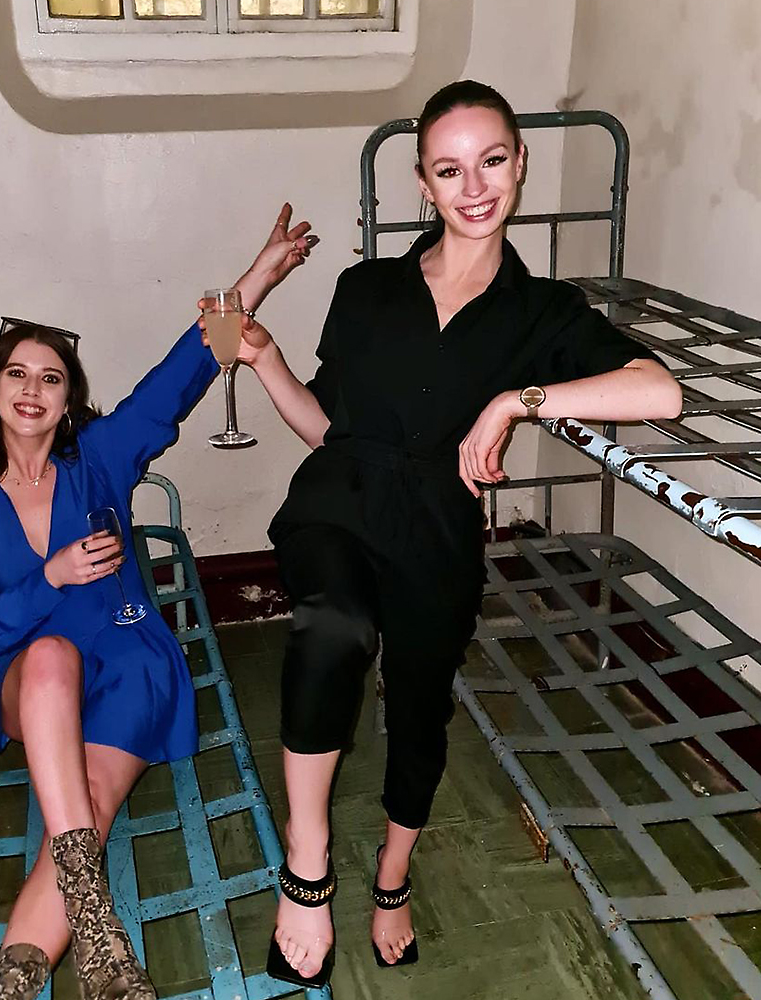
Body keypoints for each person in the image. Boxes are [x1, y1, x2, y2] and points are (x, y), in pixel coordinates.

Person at [233, 81, 682, 987]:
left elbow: (657, 390)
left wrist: (517, 401)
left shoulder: (541, 311)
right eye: (449, 168)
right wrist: (273, 361)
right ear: (422, 184)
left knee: (421, 702)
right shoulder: (367, 288)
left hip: (437, 524)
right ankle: (308, 866)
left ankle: (393, 873)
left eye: (491, 161)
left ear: (520, 164)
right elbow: (329, 428)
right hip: (340, 499)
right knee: (332, 627)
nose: (473, 186)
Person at [0, 208, 318, 1000]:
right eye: (17, 374)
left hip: (128, 660)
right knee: (43, 656)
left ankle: (8, 982)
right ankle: (101, 940)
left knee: (93, 800)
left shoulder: (99, 459)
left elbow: (179, 375)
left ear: (70, 398)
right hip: (31, 681)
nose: (33, 390)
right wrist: (53, 576)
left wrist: (257, 278)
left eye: (51, 377)